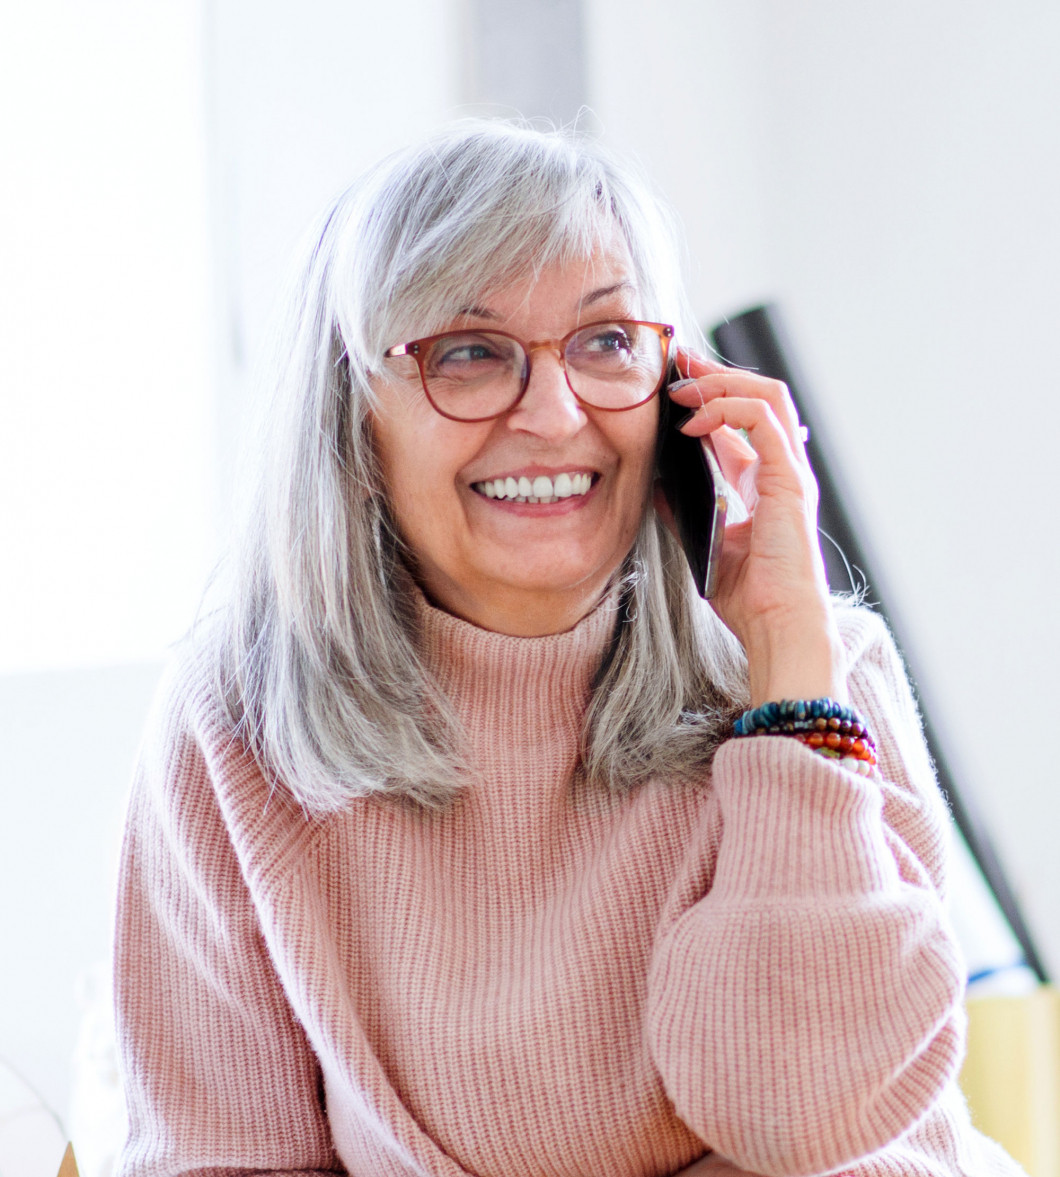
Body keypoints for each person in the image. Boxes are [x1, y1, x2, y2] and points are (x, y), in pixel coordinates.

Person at [113, 120, 1024, 1177]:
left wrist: (784, 680)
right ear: (353, 420)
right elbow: (218, 1158)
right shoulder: (237, 720)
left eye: (605, 343)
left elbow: (822, 1125)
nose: (554, 415)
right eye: (466, 352)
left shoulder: (819, 671)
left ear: (677, 384)